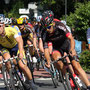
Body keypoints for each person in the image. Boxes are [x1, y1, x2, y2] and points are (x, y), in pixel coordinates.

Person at [41, 10, 90, 89]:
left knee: (76, 66)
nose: (47, 29)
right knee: (57, 59)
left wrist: (72, 49)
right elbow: (46, 49)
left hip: (66, 44)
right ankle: (66, 76)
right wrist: (48, 61)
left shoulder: (60, 25)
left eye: (49, 27)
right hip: (56, 48)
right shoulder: (44, 33)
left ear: (52, 24)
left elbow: (71, 38)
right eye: (45, 28)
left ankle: (88, 86)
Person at [0, 17, 37, 90]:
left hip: (16, 46)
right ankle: (12, 76)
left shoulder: (11, 30)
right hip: (5, 48)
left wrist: (21, 53)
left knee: (22, 65)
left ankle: (31, 82)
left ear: (3, 25)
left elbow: (20, 41)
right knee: (7, 60)